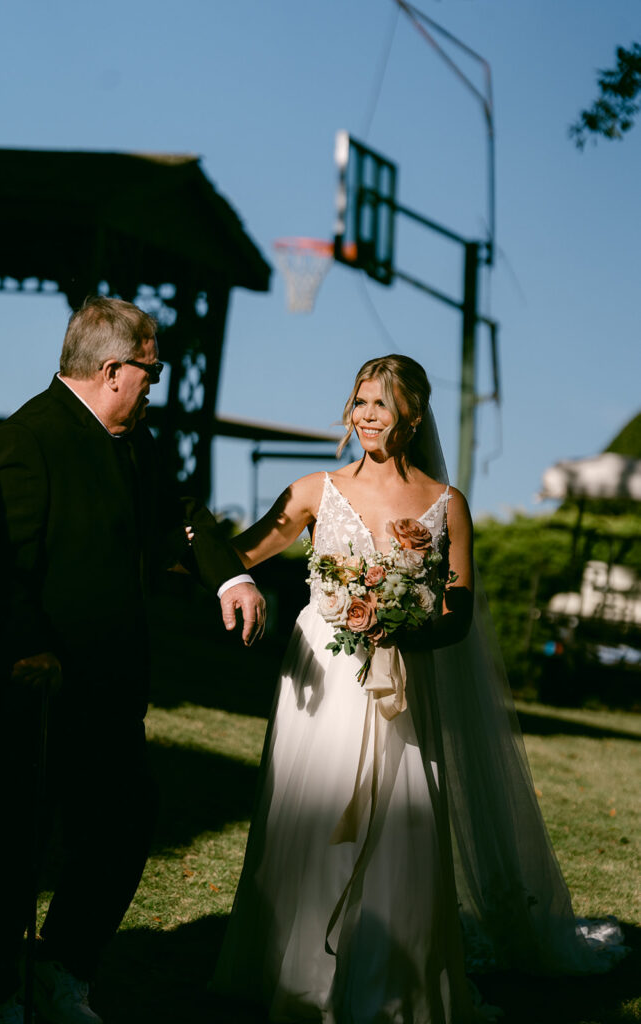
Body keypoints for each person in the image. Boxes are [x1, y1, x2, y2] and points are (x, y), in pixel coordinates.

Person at [213, 355, 626, 1023]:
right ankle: (301, 977)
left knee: (406, 815)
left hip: (405, 681)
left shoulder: (447, 505)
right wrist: (180, 543)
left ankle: (390, 983)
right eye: (359, 402)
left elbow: (457, 616)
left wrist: (398, 623)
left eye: (381, 403)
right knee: (311, 809)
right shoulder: (315, 490)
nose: (366, 415)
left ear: (412, 415)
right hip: (322, 675)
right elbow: (242, 552)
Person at [0, 297, 265, 1024]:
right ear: (112, 369)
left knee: (126, 818)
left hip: (113, 687)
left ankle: (65, 968)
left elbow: (180, 514)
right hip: (37, 685)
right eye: (150, 372)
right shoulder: (28, 439)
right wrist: (27, 647)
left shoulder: (137, 441)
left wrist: (232, 574)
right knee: (12, 843)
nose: (155, 384)